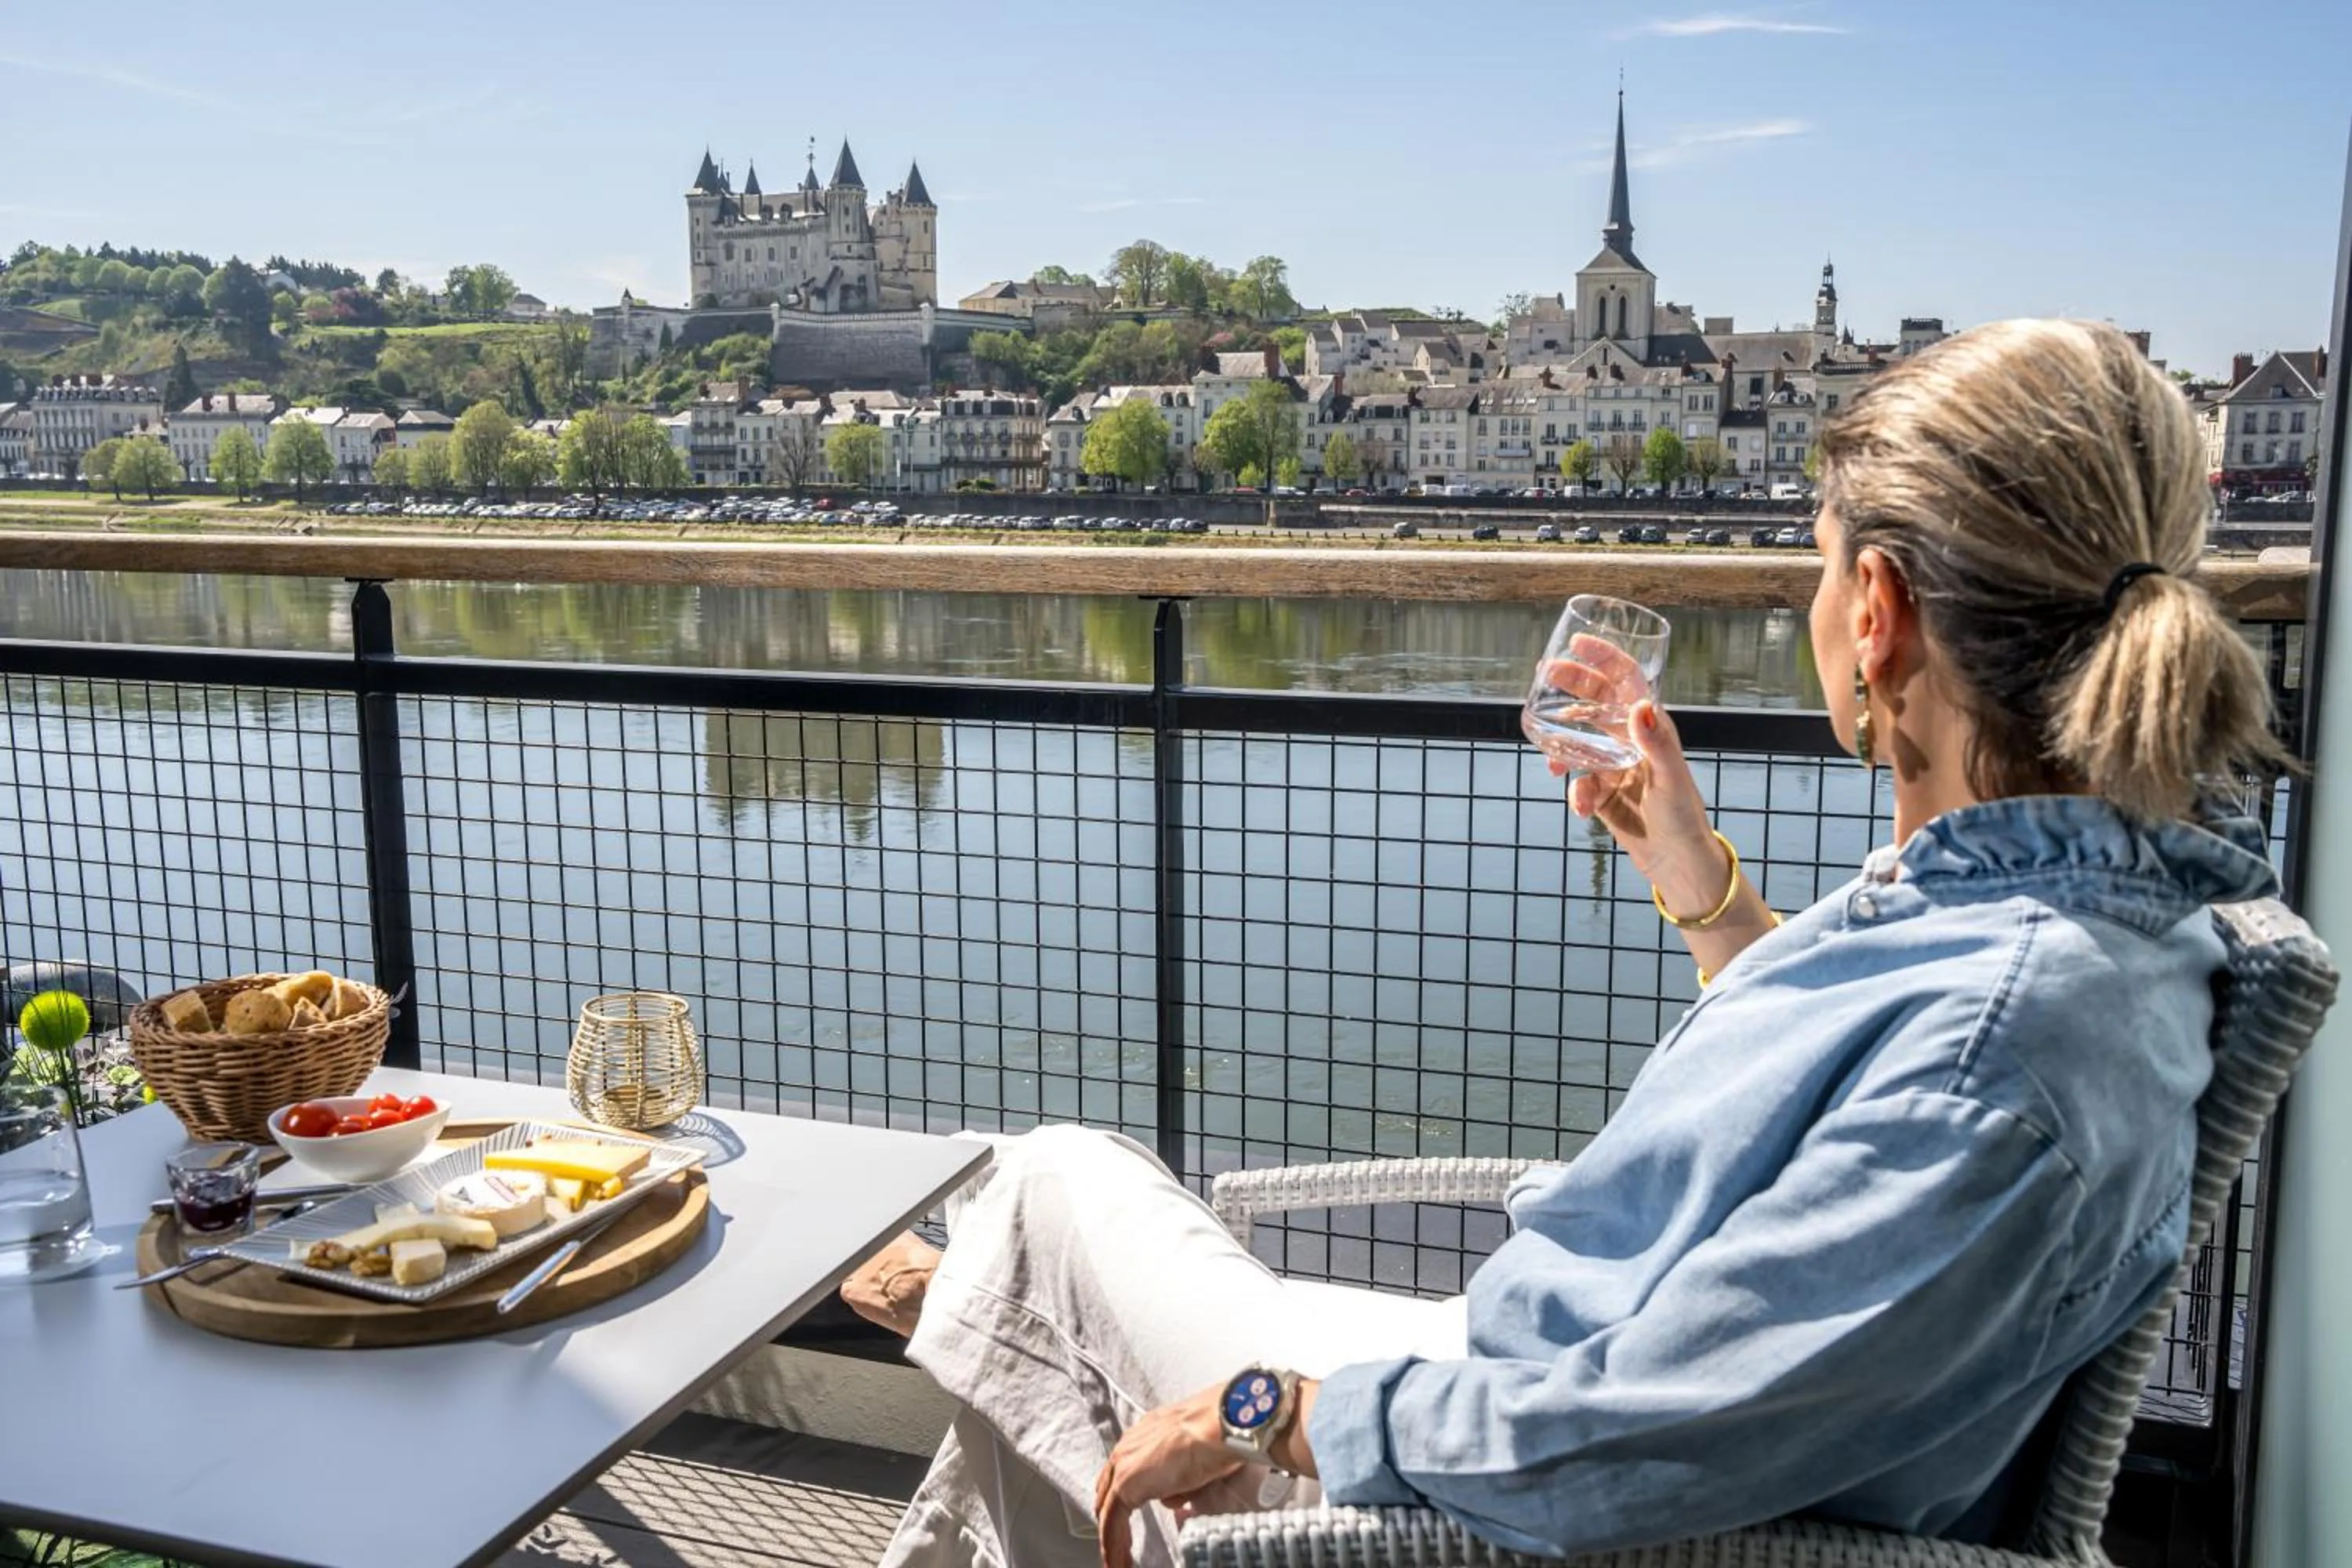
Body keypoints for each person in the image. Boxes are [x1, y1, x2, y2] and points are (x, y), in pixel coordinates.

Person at [840, 319, 2288, 1568]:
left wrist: (1279, 1415)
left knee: (1051, 1184)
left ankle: (988, 1305)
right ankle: (998, 1316)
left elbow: (1638, 1436)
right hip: (1515, 1374)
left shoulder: (2008, 1045)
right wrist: (1697, 877)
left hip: (1496, 1479)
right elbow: (1848, 1108)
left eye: (1817, 567)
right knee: (1046, 1273)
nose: (1808, 606)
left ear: (1880, 613)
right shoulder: (2060, 924)